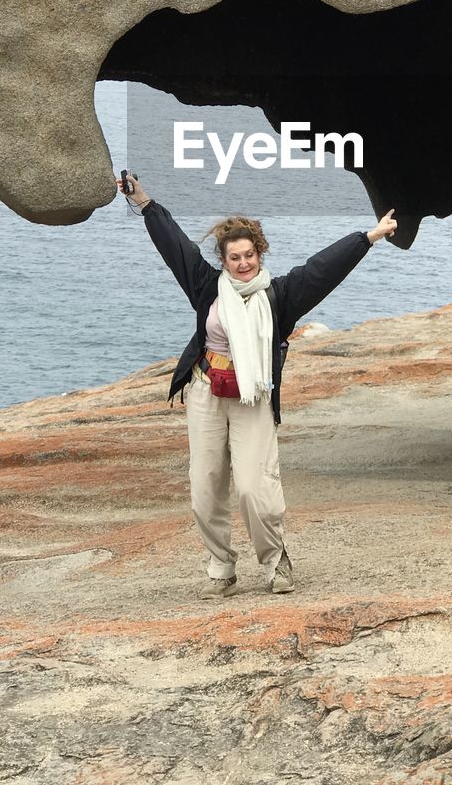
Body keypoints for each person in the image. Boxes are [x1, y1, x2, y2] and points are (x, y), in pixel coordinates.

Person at [117, 172, 397, 599]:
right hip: (207, 389)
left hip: (254, 396)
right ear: (224, 260)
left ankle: (274, 560)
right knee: (205, 485)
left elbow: (322, 269)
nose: (243, 263)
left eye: (249, 255)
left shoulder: (279, 296)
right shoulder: (206, 287)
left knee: (254, 486)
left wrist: (369, 237)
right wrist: (143, 201)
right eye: (235, 257)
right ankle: (221, 566)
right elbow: (175, 246)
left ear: (259, 255)